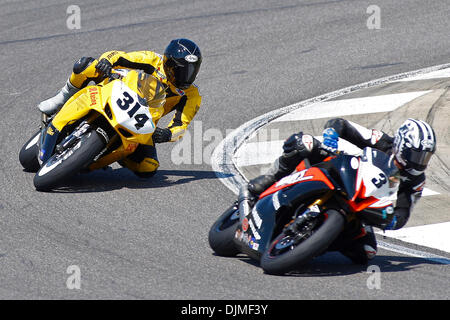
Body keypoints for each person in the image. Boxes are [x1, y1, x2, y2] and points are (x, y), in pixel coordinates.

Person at [243, 118, 437, 264]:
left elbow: (402, 214)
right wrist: (331, 136)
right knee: (305, 143)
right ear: (401, 145)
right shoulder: (383, 142)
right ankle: (270, 179)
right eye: (417, 155)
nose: (420, 162)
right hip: (342, 173)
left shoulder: (415, 180)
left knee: (366, 252)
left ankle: (313, 243)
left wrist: (389, 218)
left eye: (425, 157)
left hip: (362, 206)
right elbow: (340, 124)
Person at [38, 38, 202, 177]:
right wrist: (106, 62)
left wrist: (167, 134)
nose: (186, 76)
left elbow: (181, 126)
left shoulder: (192, 95)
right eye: (180, 71)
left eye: (192, 71)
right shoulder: (153, 60)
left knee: (149, 167)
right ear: (168, 64)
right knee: (87, 65)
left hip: (141, 123)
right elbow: (117, 56)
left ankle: (118, 154)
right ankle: (63, 96)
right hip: (118, 93)